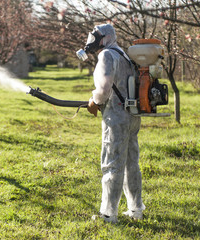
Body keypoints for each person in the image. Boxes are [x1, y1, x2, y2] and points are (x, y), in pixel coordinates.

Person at [85, 24, 145, 223]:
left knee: (112, 165)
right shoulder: (125, 55)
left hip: (116, 117)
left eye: (96, 36)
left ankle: (109, 214)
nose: (92, 39)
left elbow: (103, 88)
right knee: (130, 164)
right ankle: (136, 210)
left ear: (105, 37)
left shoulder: (107, 55)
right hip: (132, 116)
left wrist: (95, 101)